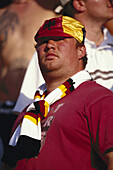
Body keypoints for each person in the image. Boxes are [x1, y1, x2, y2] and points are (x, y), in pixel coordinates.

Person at [2, 15, 113, 170]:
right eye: (43, 42)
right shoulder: (28, 113)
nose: (49, 45)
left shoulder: (99, 99)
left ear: (81, 51)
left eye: (59, 39)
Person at [13, 0, 113, 114]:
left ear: (82, 51)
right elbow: (27, 113)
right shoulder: (49, 51)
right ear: (79, 4)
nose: (109, 1)